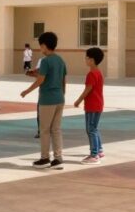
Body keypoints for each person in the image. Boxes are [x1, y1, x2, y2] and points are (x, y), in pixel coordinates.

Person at [20, 31, 67, 169]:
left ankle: (45, 157)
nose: (40, 49)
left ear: (45, 46)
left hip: (47, 100)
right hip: (59, 99)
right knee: (56, 129)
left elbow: (41, 79)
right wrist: (62, 94)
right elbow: (63, 80)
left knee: (45, 129)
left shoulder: (46, 61)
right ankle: (58, 158)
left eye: (41, 46)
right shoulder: (60, 60)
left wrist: (26, 91)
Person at [74, 47, 105, 164]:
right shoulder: (99, 72)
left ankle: (94, 154)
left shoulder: (91, 74)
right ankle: (99, 150)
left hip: (92, 106)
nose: (85, 60)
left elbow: (88, 89)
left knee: (90, 129)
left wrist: (78, 100)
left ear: (92, 60)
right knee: (94, 128)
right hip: (98, 105)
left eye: (87, 58)